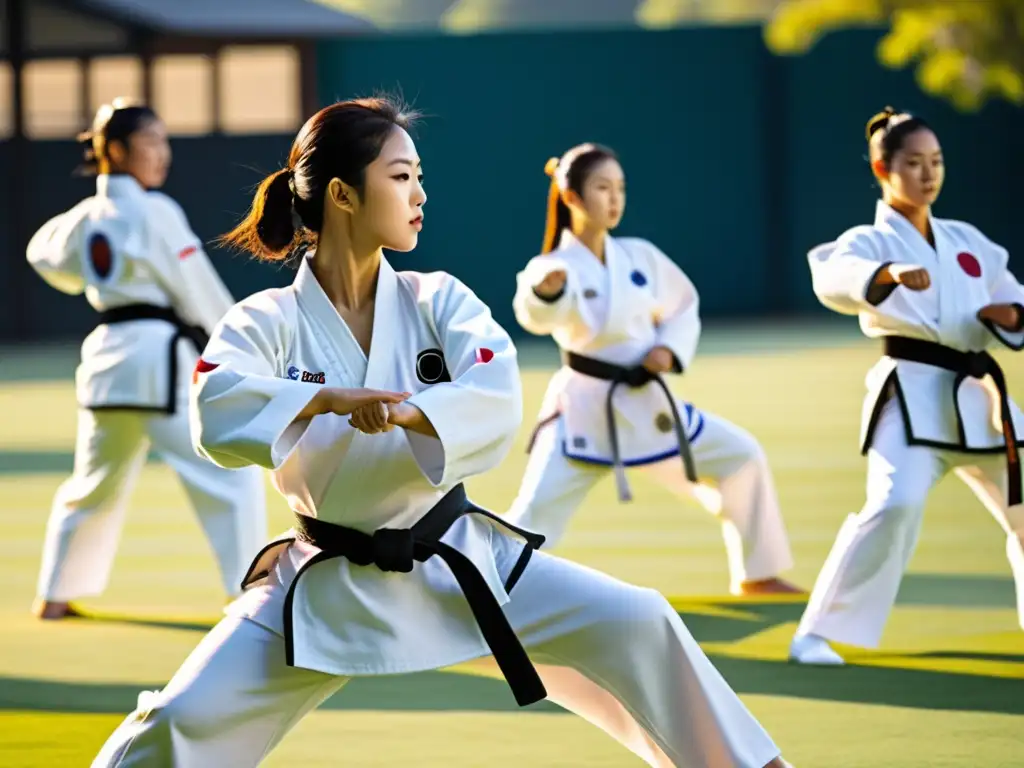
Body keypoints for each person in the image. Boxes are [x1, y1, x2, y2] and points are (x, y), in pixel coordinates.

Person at [92, 97, 793, 768]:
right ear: (341, 195)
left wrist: (411, 412)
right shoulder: (267, 320)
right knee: (180, 721)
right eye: (401, 178)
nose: (420, 194)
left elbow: (494, 391)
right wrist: (324, 399)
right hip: (325, 578)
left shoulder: (439, 298)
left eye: (420, 178)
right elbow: (216, 399)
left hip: (460, 561)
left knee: (638, 620)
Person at [505, 143, 800, 597]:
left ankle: (757, 573)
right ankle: (488, 593)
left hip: (647, 404)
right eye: (602, 188)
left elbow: (683, 306)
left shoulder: (639, 256)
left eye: (620, 188)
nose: (614, 198)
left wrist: (667, 348)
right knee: (532, 515)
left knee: (741, 455)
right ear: (573, 198)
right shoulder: (553, 267)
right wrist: (545, 293)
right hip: (584, 412)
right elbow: (532, 311)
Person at [790, 107, 1024, 665]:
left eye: (936, 162)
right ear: (882, 167)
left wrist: (1010, 314)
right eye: (914, 163)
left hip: (979, 397)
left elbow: (1012, 293)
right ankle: (815, 635)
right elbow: (833, 275)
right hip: (911, 394)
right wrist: (887, 274)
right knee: (895, 504)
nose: (928, 174)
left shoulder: (967, 240)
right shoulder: (868, 241)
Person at [25, 98, 267, 620]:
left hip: (108, 367)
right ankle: (250, 591)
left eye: (164, 140)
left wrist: (87, 279)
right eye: (151, 141)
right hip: (159, 366)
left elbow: (41, 253)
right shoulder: (155, 211)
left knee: (92, 485)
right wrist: (240, 345)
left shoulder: (82, 219)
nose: (163, 153)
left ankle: (54, 595)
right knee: (228, 474)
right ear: (115, 149)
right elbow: (196, 289)